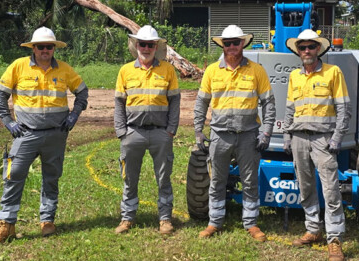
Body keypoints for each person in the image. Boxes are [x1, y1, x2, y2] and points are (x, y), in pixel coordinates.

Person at [0, 27, 89, 245]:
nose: (45, 50)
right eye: (40, 46)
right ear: (33, 48)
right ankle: (6, 225)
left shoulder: (64, 69)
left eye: (49, 47)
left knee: (51, 178)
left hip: (56, 135)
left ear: (54, 49)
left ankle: (47, 221)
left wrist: (74, 116)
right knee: (13, 176)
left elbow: (82, 91)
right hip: (25, 134)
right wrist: (8, 122)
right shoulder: (18, 67)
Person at [194, 25, 276, 242]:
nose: (231, 47)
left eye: (235, 42)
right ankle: (215, 222)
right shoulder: (212, 71)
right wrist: (198, 132)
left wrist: (266, 133)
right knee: (217, 180)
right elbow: (201, 103)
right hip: (219, 135)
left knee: (250, 181)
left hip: (248, 135)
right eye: (227, 43)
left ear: (243, 43)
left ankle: (251, 223)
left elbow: (269, 103)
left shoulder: (257, 70)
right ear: (222, 45)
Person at [282, 29, 351, 261]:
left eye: (311, 47)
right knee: (305, 186)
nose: (307, 51)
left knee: (330, 189)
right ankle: (313, 230)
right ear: (298, 51)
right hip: (299, 138)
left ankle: (334, 239)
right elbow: (290, 109)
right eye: (302, 48)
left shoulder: (333, 72)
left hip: (323, 139)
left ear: (319, 49)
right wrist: (286, 136)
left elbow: (343, 108)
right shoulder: (295, 76)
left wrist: (337, 138)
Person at [113, 25, 180, 235]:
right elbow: (118, 104)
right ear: (136, 45)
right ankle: (127, 218)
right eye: (142, 44)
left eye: (150, 44)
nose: (146, 48)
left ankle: (165, 219)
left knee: (164, 178)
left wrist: (170, 130)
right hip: (133, 133)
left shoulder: (168, 70)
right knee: (129, 178)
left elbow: (175, 102)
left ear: (156, 47)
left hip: (161, 133)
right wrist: (121, 132)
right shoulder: (125, 70)